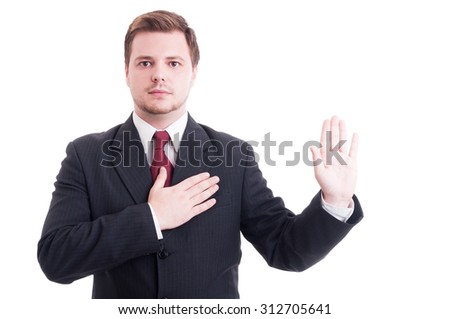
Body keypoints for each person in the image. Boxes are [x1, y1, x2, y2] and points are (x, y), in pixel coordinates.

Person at [38, 10, 363, 299]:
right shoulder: (86, 155)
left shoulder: (234, 156)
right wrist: (152, 219)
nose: (159, 75)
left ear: (193, 72)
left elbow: (286, 250)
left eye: (174, 63)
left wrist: (334, 200)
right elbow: (56, 259)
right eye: (145, 62)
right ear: (126, 72)